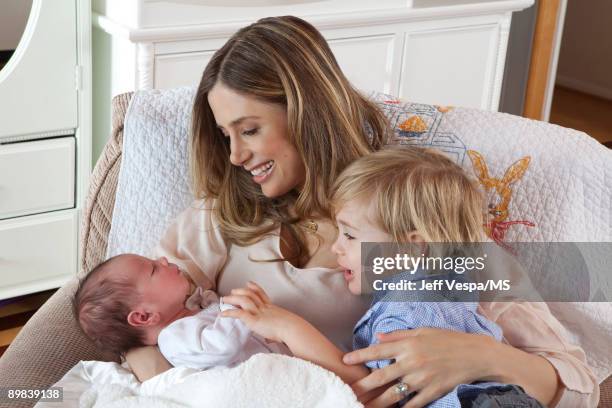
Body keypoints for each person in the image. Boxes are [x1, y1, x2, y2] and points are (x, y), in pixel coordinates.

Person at [126, 15, 599, 407]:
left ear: (306, 113)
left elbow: (578, 383)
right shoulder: (221, 218)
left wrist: (477, 354)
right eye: (225, 135)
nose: (234, 156)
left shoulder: (415, 224)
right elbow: (127, 323)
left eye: (249, 130)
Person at [220, 148, 544, 407]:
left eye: (349, 235)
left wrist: (287, 326)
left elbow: (374, 391)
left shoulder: (408, 310)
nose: (336, 248)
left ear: (413, 247)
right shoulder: (451, 284)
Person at [74, 254, 288, 369]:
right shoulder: (172, 339)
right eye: (153, 269)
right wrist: (238, 308)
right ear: (144, 316)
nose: (163, 260)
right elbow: (223, 345)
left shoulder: (193, 313)